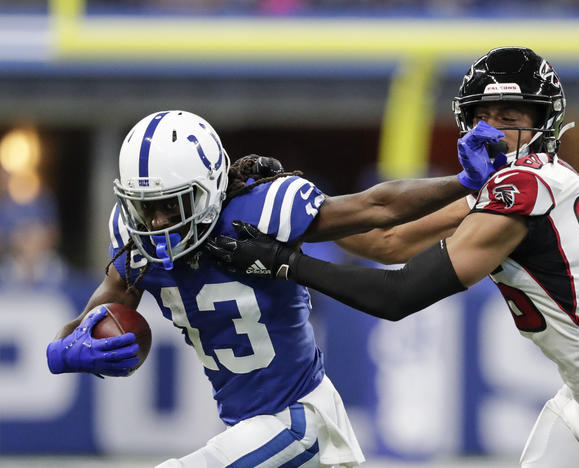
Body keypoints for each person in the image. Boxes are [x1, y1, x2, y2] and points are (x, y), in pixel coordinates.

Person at [207, 47, 579, 467]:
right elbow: (388, 240)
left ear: (542, 124)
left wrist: (285, 262)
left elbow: (398, 294)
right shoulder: (511, 183)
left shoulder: (525, 189)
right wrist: (291, 206)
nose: (492, 131)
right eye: (483, 117)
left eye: (509, 120)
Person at [45, 110, 479, 467]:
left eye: (170, 205)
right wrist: (63, 350)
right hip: (254, 433)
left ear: (209, 188)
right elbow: (94, 319)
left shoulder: (261, 208)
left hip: (301, 422)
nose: (158, 223)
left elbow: (376, 210)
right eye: (145, 208)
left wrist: (463, 185)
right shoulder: (136, 240)